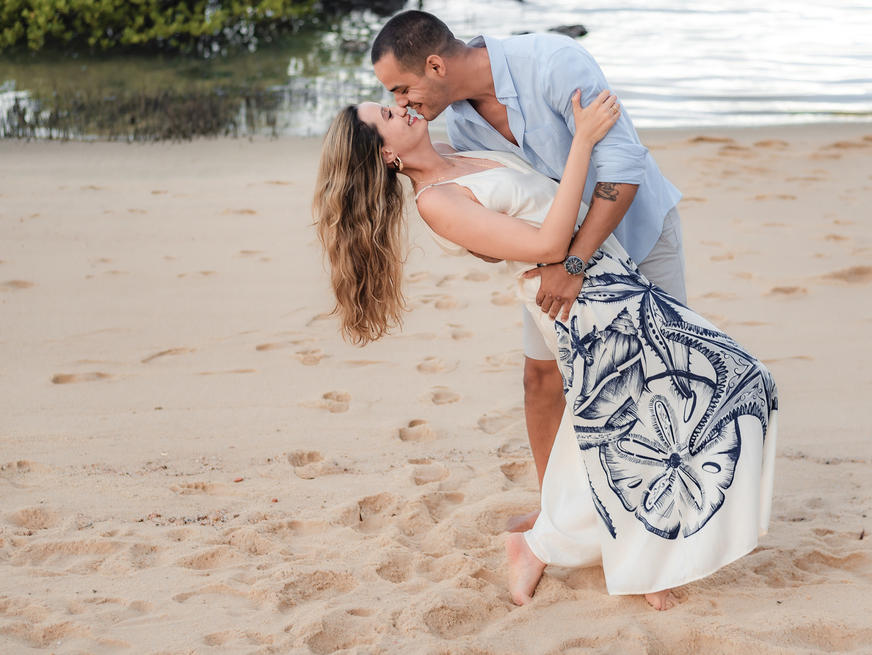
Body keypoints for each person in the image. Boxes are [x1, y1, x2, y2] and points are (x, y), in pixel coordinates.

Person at [313, 90, 778, 610]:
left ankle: (551, 546)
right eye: (385, 115)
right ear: (385, 155)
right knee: (661, 410)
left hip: (610, 274)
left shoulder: (457, 151)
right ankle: (609, 558)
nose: (397, 107)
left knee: (648, 415)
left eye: (390, 102)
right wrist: (583, 139)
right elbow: (549, 246)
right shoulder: (436, 201)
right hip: (580, 300)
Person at [371, 12, 686, 533]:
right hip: (554, 265)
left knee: (661, 374)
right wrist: (489, 241)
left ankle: (662, 515)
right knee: (540, 377)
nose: (402, 103)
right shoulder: (461, 123)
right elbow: (497, 219)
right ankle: (556, 512)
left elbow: (623, 170)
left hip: (636, 233)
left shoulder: (554, 64)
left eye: (402, 89)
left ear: (434, 65)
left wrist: (575, 264)